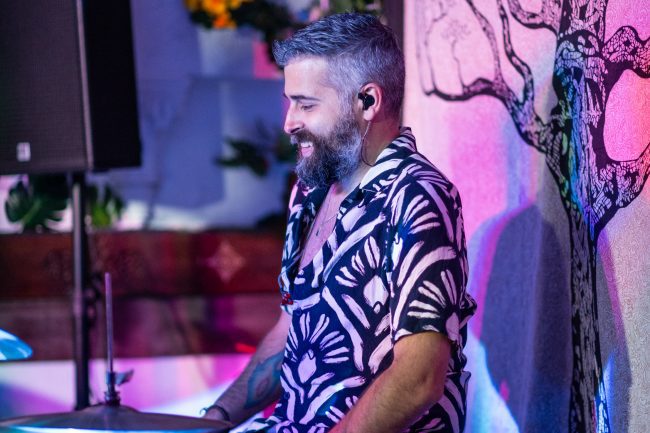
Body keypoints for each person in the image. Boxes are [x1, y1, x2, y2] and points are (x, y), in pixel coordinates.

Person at [202, 12, 476, 433]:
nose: (289, 122)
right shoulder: (309, 193)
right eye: (290, 102)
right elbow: (293, 330)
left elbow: (419, 378)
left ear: (368, 101)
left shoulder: (416, 196)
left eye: (306, 104)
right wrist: (213, 421)